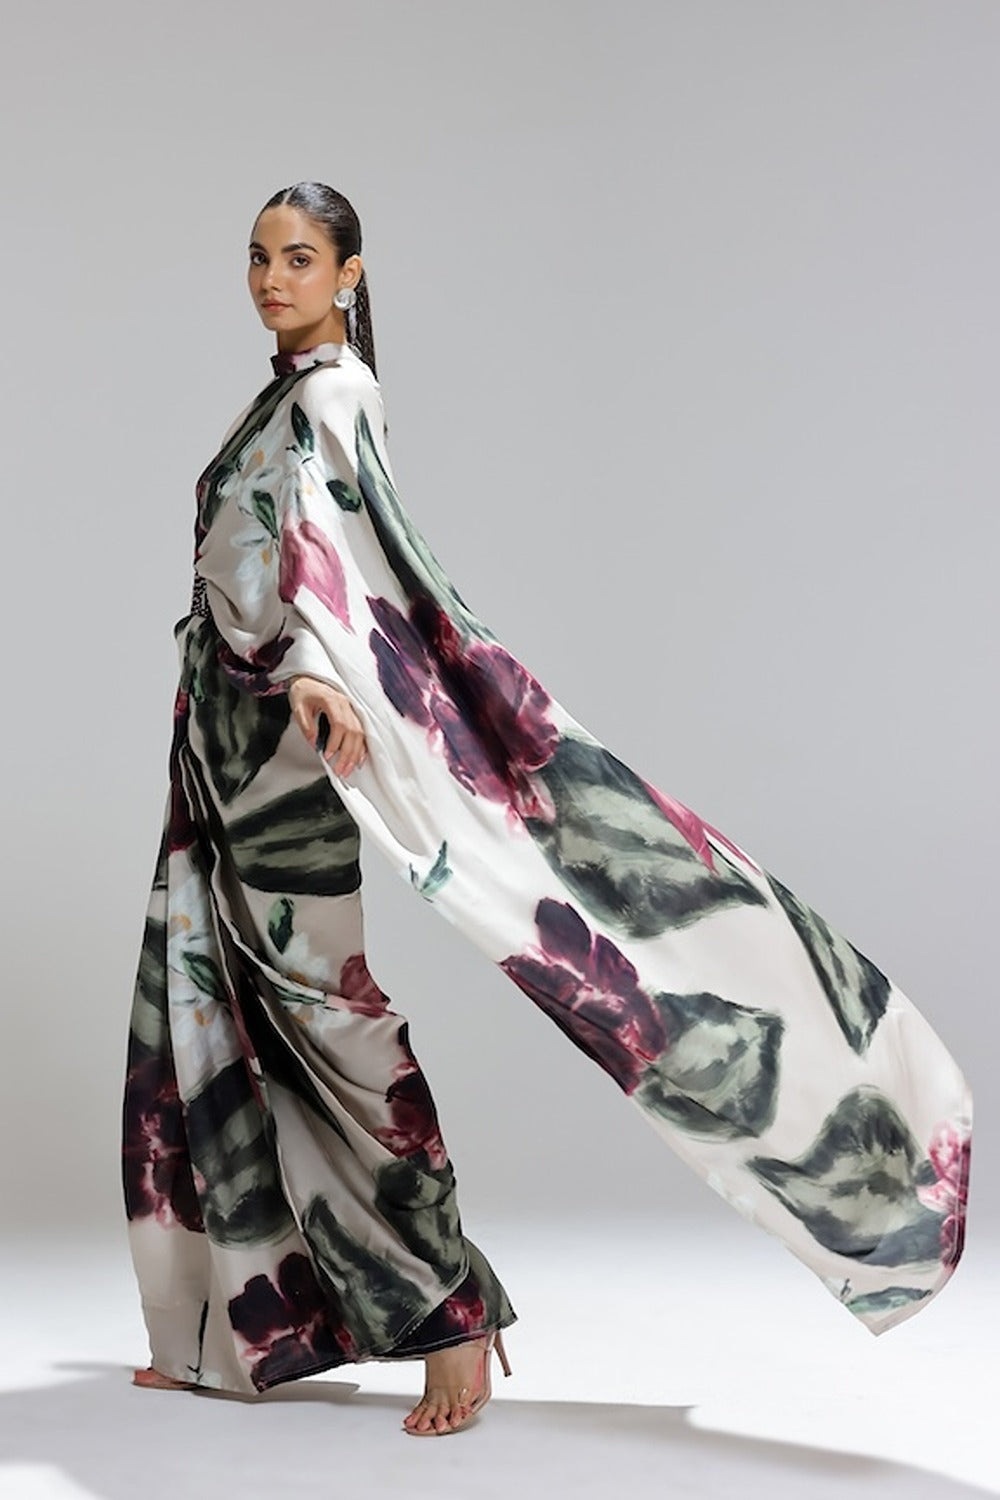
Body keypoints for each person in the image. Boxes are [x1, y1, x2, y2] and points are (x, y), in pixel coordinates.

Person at [122, 181, 973, 1437]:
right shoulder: (283, 396)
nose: (271, 278)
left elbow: (342, 571)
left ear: (351, 274)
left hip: (287, 738)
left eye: (299, 258)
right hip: (224, 735)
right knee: (208, 996)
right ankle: (223, 1327)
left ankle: (452, 1315)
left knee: (320, 1020)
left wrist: (306, 671)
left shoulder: (335, 395)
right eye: (258, 257)